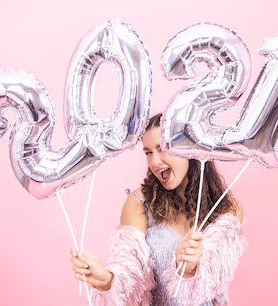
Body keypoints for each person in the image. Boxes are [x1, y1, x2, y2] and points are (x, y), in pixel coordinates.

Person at [70, 113, 247, 305]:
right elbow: (131, 275)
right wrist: (106, 280)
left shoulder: (227, 208)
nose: (154, 162)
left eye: (162, 148)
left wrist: (188, 269)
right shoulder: (140, 203)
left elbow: (213, 279)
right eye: (148, 152)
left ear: (189, 148)